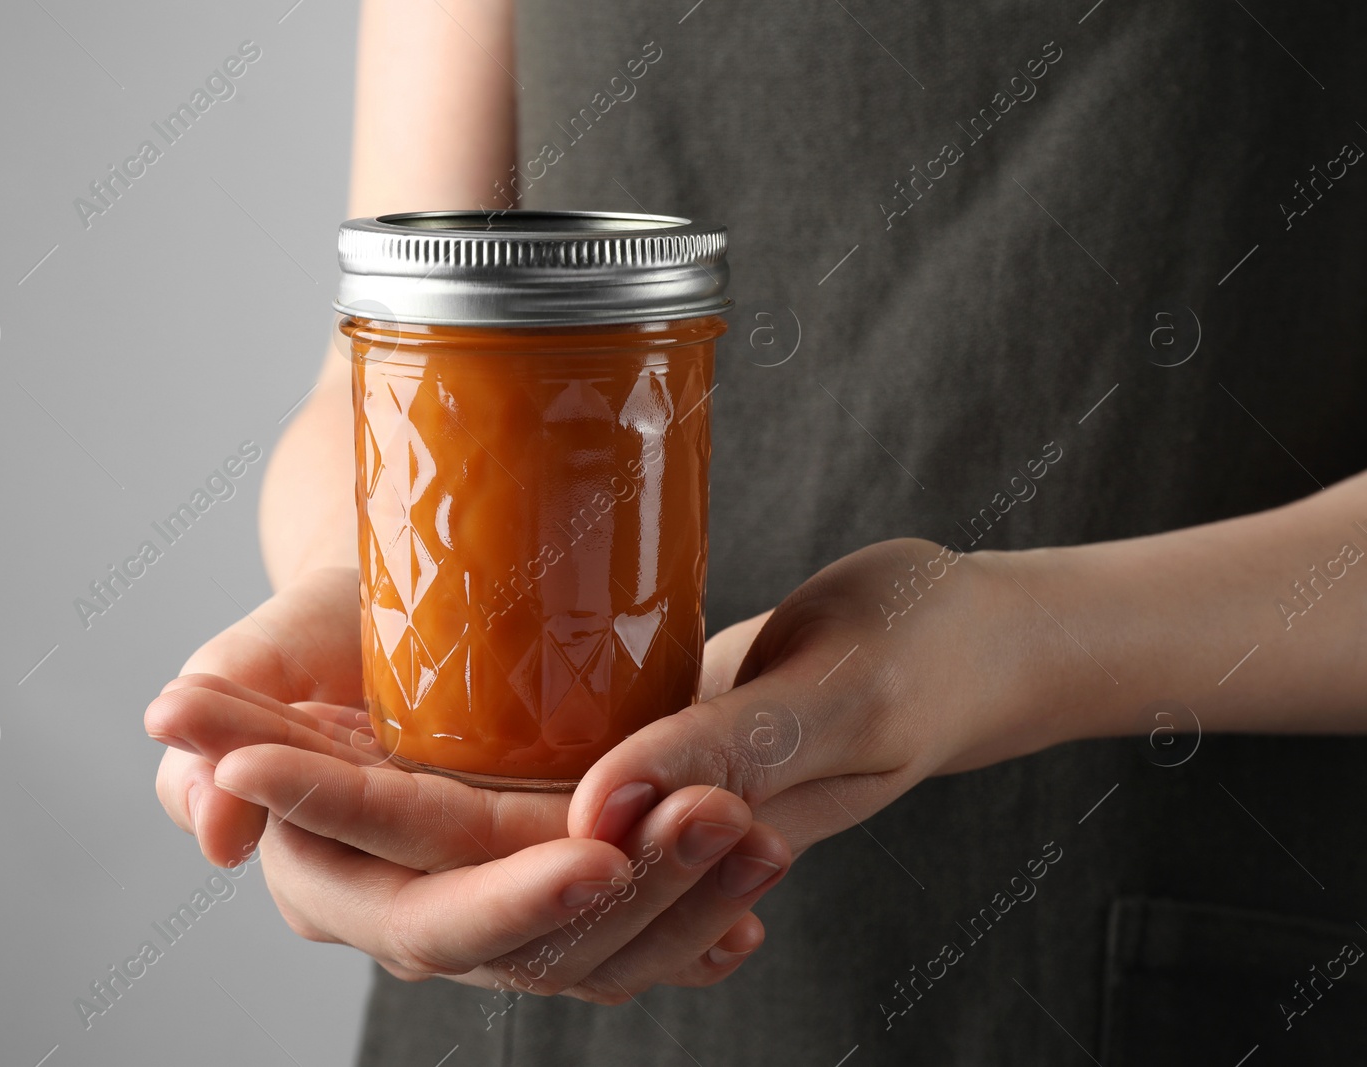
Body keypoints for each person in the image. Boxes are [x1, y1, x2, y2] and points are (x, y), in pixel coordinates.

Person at [147, 1, 1367, 1062]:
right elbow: (389, 336)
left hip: (1145, 932)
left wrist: (1015, 643)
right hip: (533, 954)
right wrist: (366, 593)